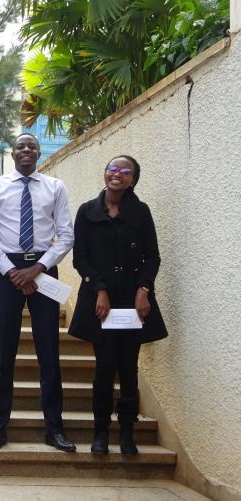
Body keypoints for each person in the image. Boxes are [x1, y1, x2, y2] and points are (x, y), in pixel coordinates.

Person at [0, 133, 76, 452]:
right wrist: (12, 272)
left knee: (49, 353)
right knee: (4, 353)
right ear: (13, 152)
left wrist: (38, 269)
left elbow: (66, 235)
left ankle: (54, 429)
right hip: (7, 271)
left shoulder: (55, 187)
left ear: (38, 153)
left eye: (31, 146)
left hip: (43, 269)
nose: (26, 150)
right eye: (20, 146)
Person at [68, 155, 167, 455]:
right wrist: (99, 289)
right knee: (104, 368)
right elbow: (79, 257)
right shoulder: (87, 211)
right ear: (105, 173)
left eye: (126, 171)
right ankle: (100, 432)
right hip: (101, 302)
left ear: (132, 180)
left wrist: (143, 289)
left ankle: (126, 433)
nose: (118, 174)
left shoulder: (141, 211)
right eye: (113, 168)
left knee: (128, 368)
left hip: (132, 302)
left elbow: (152, 256)